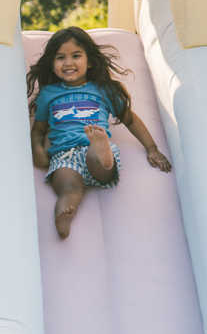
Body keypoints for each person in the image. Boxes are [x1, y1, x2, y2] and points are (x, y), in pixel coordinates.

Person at [27, 26, 171, 239]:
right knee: (67, 186)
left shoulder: (103, 90)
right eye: (60, 58)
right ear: (52, 63)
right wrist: (37, 149)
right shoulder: (49, 94)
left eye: (76, 56)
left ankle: (100, 147)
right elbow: (38, 129)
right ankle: (64, 214)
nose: (68, 63)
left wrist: (152, 148)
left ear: (90, 61)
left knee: (101, 166)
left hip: (93, 149)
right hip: (64, 154)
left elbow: (130, 119)